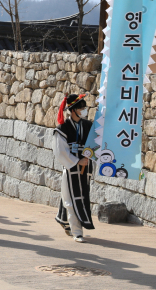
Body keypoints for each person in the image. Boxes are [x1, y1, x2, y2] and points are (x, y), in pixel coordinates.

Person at [53, 93, 95, 243]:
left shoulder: (89, 125)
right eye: (81, 108)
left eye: (84, 107)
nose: (84, 110)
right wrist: (77, 161)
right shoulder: (63, 129)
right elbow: (60, 151)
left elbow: (96, 143)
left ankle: (65, 221)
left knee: (80, 197)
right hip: (71, 169)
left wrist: (89, 157)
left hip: (86, 169)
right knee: (71, 198)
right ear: (73, 110)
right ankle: (77, 232)